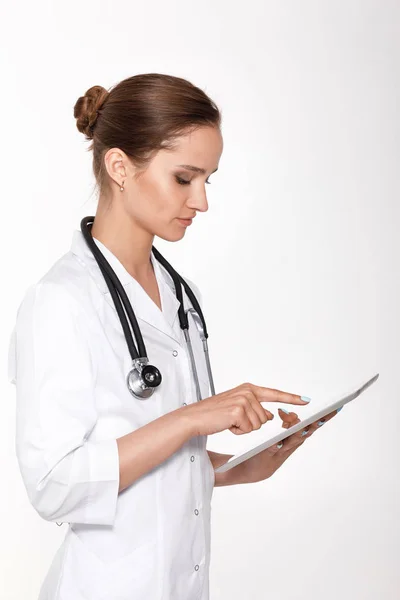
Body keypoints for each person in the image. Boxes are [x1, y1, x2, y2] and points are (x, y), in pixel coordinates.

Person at [8, 73, 340, 600]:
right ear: (119, 167)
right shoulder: (61, 302)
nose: (202, 201)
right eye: (185, 178)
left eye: (209, 179)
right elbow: (55, 486)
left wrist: (234, 468)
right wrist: (190, 418)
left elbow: (153, 460)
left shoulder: (179, 297)